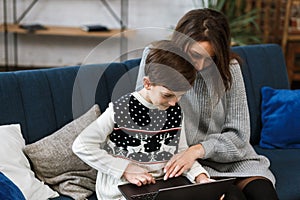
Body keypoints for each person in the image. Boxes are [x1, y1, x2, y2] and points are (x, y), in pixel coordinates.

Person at [135, 8, 279, 200]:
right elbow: (140, 117)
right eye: (194, 55)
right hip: (183, 163)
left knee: (264, 194)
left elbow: (239, 136)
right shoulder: (155, 57)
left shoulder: (229, 69)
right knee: (232, 197)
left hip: (230, 159)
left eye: (209, 58)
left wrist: (198, 150)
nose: (200, 66)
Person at [72, 40, 213, 200]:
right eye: (167, 95)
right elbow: (81, 146)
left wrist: (201, 177)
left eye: (180, 96)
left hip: (160, 188)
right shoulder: (120, 109)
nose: (174, 103)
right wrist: (125, 169)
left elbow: (180, 154)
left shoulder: (174, 110)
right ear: (147, 83)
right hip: (120, 191)